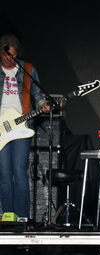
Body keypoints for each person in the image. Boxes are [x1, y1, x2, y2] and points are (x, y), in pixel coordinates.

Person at [0, 34, 50, 218]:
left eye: (12, 56)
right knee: (4, 174)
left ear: (17, 53)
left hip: (21, 127)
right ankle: (8, 217)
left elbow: (37, 96)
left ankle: (22, 217)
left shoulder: (27, 69)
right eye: (5, 55)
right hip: (1, 130)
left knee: (20, 171)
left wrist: (42, 105)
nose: (9, 59)